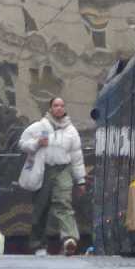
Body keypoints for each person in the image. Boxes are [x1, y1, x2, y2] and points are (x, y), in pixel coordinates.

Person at [18, 97, 86, 256]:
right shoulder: (39, 126)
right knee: (41, 208)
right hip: (44, 170)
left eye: (62, 105)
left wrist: (80, 180)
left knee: (64, 203)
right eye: (56, 105)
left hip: (64, 170)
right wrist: (36, 144)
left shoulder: (71, 130)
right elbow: (22, 143)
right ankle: (38, 244)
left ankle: (69, 239)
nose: (59, 108)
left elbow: (77, 156)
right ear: (50, 108)